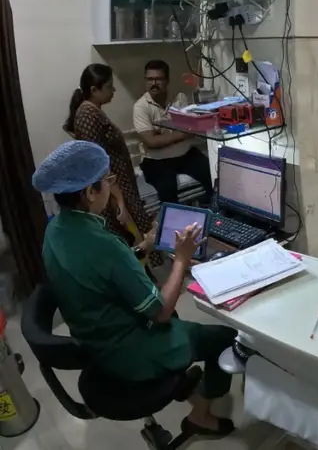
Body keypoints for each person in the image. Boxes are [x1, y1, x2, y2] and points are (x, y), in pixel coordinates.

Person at [36, 141, 236, 437]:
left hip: (93, 339)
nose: (111, 186)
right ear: (89, 192)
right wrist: (181, 259)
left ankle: (183, 381)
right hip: (129, 351)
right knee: (226, 337)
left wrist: (143, 247)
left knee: (177, 319)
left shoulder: (55, 229)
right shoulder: (103, 244)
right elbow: (161, 312)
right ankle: (201, 416)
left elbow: (100, 271)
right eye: (107, 180)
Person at [65, 63, 150, 248]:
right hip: (113, 191)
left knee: (139, 234)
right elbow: (98, 164)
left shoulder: (94, 111)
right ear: (94, 90)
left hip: (119, 186)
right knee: (135, 237)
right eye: (110, 86)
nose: (114, 90)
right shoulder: (87, 114)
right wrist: (119, 200)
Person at [133, 60, 213, 205]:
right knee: (168, 190)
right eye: (150, 79)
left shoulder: (179, 98)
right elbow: (151, 142)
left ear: (167, 80)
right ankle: (174, 219)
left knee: (212, 173)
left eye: (158, 79)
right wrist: (182, 134)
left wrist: (163, 137)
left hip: (184, 154)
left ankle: (211, 210)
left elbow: (190, 127)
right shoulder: (141, 107)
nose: (154, 83)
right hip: (156, 160)